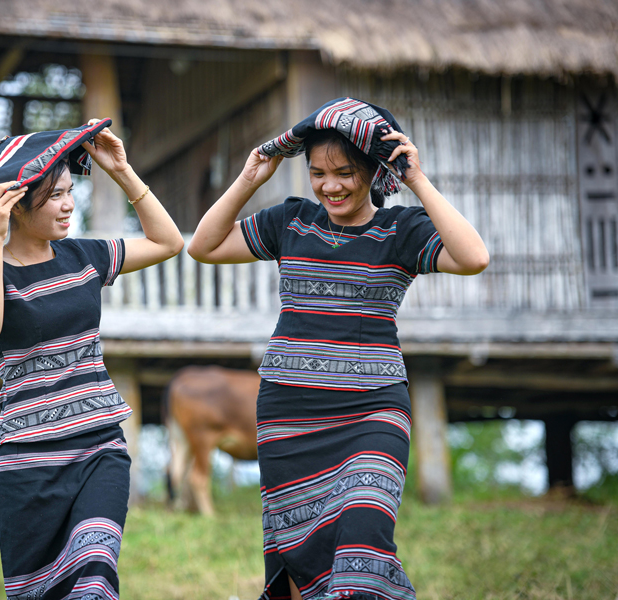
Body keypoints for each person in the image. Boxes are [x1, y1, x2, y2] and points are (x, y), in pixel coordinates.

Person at [187, 98, 489, 600]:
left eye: (345, 172)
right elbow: (204, 246)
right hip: (290, 415)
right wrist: (249, 180)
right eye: (318, 173)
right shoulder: (291, 222)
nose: (330, 186)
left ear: (374, 170)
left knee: (364, 533)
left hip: (373, 410)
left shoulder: (402, 231)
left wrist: (416, 179)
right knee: (301, 557)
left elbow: (474, 257)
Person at [0, 118, 184, 600]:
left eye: (69, 191)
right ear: (16, 205)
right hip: (28, 465)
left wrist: (123, 172)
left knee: (95, 578)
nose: (67, 204)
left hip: (100, 446)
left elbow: (169, 242)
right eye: (55, 195)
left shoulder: (82, 255)